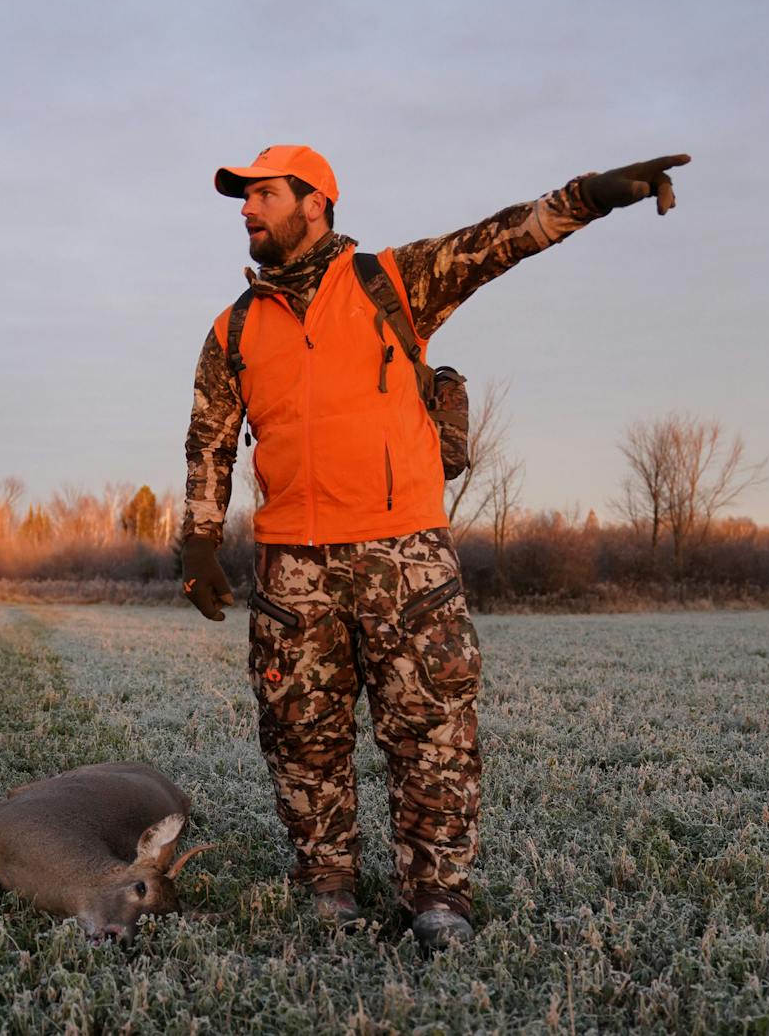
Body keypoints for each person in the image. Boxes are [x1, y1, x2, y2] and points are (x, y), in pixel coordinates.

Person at [181, 145, 688, 950]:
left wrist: (592, 196)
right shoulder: (233, 328)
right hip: (292, 571)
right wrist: (200, 537)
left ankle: (437, 900)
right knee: (300, 737)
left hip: (405, 559)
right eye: (245, 199)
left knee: (433, 733)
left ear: (315, 204)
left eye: (265, 195)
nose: (248, 210)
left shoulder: (391, 282)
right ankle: (327, 886)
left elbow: (501, 240)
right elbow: (209, 440)